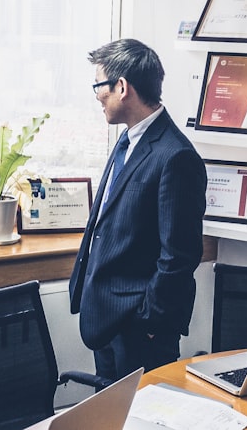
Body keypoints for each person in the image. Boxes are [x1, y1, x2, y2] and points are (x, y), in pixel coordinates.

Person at [68, 38, 207, 381]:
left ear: (121, 87)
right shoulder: (128, 139)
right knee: (110, 416)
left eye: (99, 85)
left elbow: (179, 256)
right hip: (106, 318)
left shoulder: (176, 156)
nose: (97, 96)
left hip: (141, 329)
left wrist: (149, 323)